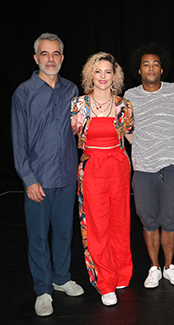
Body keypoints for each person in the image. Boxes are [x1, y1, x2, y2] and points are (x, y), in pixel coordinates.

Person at [11, 32, 84, 317]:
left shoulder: (71, 90)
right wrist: (28, 178)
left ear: (63, 58)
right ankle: (43, 289)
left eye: (56, 54)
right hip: (38, 180)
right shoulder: (24, 93)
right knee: (39, 238)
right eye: (45, 54)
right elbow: (18, 141)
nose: (50, 59)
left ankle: (61, 278)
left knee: (64, 234)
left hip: (67, 176)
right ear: (36, 58)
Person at [124, 43, 174, 288]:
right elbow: (125, 128)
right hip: (143, 168)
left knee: (171, 219)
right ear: (139, 70)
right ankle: (154, 267)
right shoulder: (130, 96)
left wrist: (171, 139)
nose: (150, 68)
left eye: (155, 64)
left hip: (172, 165)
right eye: (145, 64)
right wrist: (140, 145)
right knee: (149, 220)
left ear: (162, 69)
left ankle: (169, 266)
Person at [71, 52, 133, 306]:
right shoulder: (78, 105)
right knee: (97, 226)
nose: (103, 76)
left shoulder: (124, 105)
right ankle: (104, 281)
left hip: (118, 165)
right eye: (98, 71)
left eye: (108, 71)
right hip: (92, 167)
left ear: (115, 76)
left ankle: (121, 272)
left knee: (120, 222)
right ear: (90, 74)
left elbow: (130, 138)